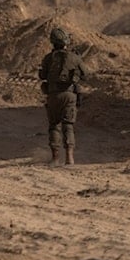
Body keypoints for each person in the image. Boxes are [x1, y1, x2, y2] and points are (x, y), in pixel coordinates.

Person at [38, 27, 86, 166]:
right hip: (69, 94)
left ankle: (55, 158)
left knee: (54, 126)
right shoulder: (74, 57)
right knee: (68, 126)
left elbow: (42, 76)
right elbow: (86, 74)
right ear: (66, 41)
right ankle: (69, 158)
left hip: (53, 95)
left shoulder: (48, 58)